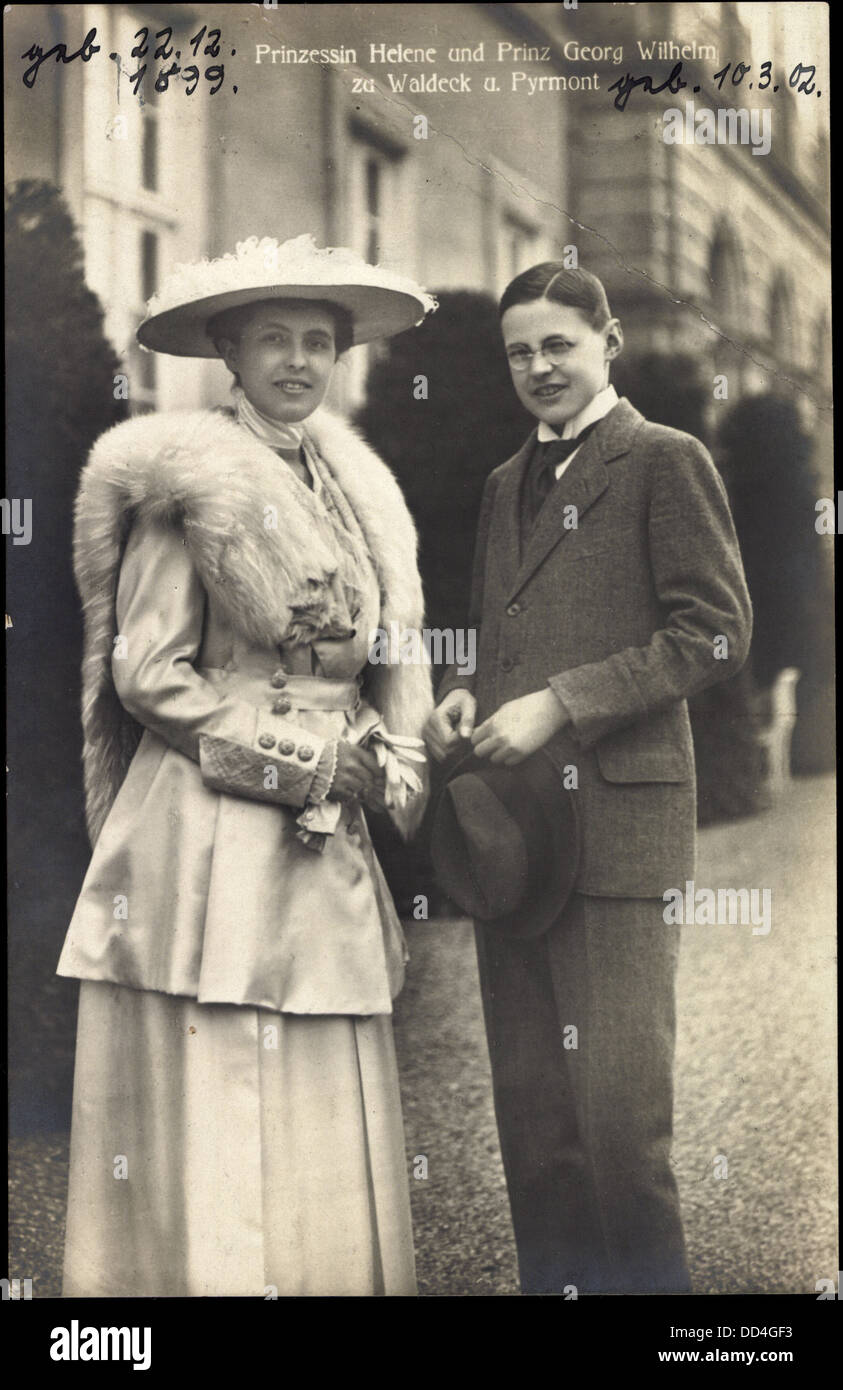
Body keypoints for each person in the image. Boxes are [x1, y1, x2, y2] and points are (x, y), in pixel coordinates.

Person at [57, 234, 436, 1297]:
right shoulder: (192, 484)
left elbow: (363, 667)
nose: (300, 361)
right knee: (226, 1059)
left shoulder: (352, 485)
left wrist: (382, 747)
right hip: (211, 823)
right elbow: (147, 673)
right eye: (275, 339)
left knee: (318, 1063)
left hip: (328, 831)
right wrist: (307, 762)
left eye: (319, 341)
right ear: (228, 349)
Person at [424, 263, 752, 1295]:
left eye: (558, 343)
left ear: (607, 341)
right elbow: (503, 628)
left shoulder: (665, 459)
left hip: (617, 839)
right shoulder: (499, 482)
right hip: (512, 840)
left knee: (621, 1137)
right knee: (535, 1127)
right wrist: (465, 690)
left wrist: (565, 702)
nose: (537, 367)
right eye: (519, 350)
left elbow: (717, 634)